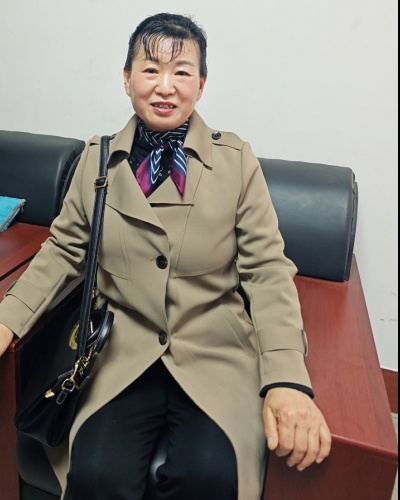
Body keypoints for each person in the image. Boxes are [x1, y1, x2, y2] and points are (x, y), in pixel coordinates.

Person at [0, 12, 331, 500]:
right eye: (151, 69)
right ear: (127, 77)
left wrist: (287, 379)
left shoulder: (236, 161)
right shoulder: (97, 159)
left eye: (181, 72)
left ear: (201, 83)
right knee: (95, 478)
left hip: (215, 348)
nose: (165, 86)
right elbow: (65, 249)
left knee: (210, 478)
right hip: (119, 348)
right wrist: (7, 319)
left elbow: (267, 271)